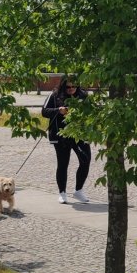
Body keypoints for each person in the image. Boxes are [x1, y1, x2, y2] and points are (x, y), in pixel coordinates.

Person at [41, 75, 91, 204]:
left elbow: (91, 111)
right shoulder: (55, 95)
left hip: (79, 134)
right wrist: (58, 110)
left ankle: (78, 190)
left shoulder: (83, 95)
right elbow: (44, 111)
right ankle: (62, 193)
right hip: (60, 134)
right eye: (68, 87)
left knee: (85, 160)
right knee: (63, 164)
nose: (71, 89)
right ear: (63, 86)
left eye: (74, 86)